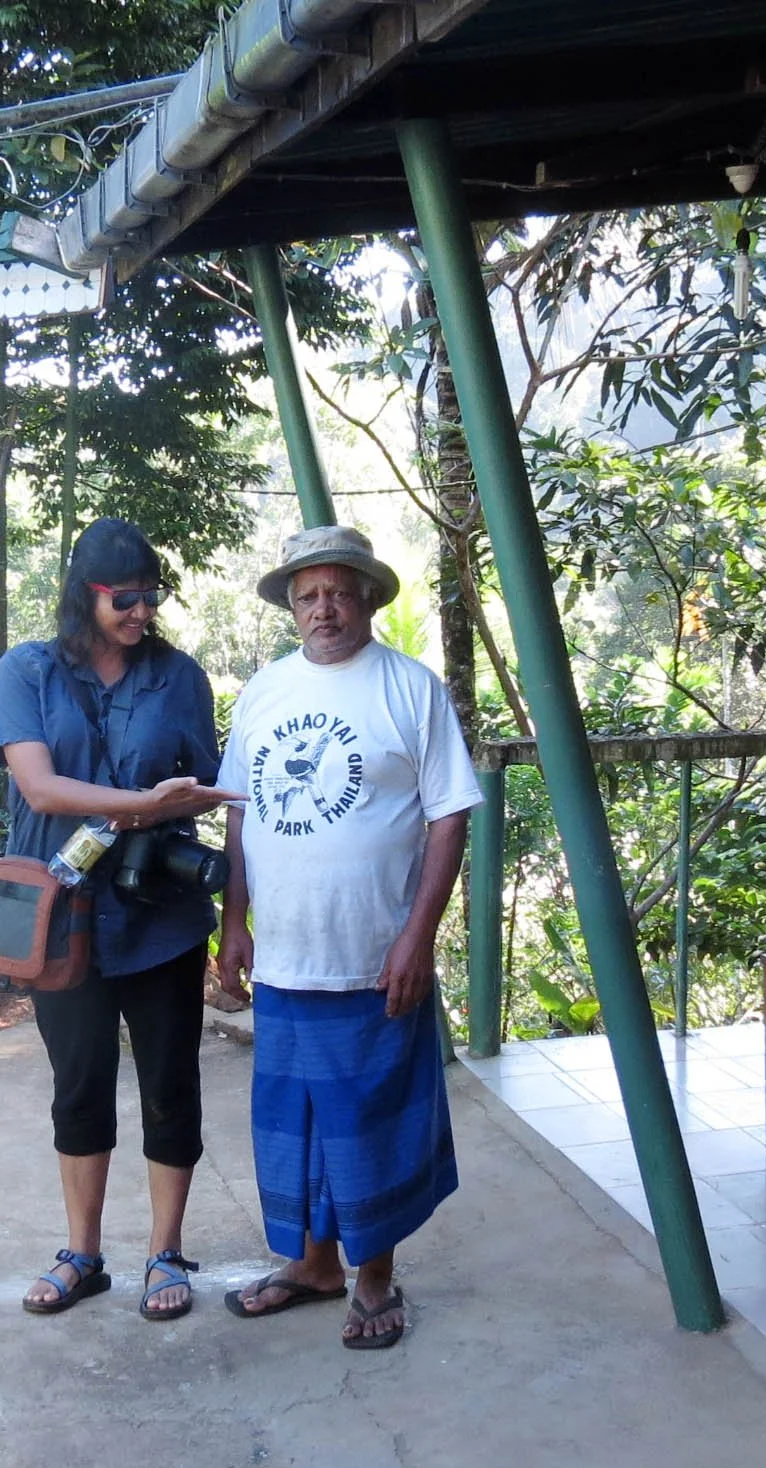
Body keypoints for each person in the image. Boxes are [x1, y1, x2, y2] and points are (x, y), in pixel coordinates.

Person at [216, 525, 485, 1350]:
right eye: (307, 595)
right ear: (290, 607)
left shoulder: (409, 689)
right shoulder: (264, 691)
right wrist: (232, 923)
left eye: (337, 592)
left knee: (372, 1123)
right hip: (285, 954)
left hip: (373, 957)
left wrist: (417, 938)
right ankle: (313, 1266)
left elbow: (449, 816)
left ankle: (374, 1278)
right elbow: (238, 815)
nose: (323, 608)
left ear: (367, 598)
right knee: (295, 1121)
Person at [0, 518, 242, 1322]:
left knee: (170, 1086)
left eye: (150, 597)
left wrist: (172, 810)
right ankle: (82, 1255)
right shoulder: (26, 670)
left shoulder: (178, 676)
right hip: (60, 919)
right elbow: (40, 789)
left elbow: (208, 783)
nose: (141, 612)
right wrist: (139, 805)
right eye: (123, 599)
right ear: (83, 595)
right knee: (79, 1086)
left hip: (158, 916)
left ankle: (165, 1252)